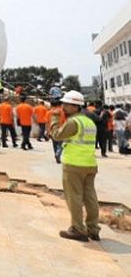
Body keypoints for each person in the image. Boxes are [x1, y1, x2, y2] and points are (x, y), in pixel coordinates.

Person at [50, 91, 100, 242]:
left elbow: (57, 135)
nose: (63, 107)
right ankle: (93, 229)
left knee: (74, 197)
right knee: (90, 197)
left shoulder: (74, 122)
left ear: (75, 106)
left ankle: (78, 229)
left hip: (74, 164)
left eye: (66, 104)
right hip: (90, 164)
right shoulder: (88, 122)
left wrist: (54, 119)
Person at [47, 99, 66, 164]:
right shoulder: (63, 111)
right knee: (60, 144)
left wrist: (48, 131)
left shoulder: (49, 112)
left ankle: (56, 154)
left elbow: (47, 122)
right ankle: (58, 154)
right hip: (60, 129)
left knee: (54, 144)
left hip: (52, 130)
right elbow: (65, 121)